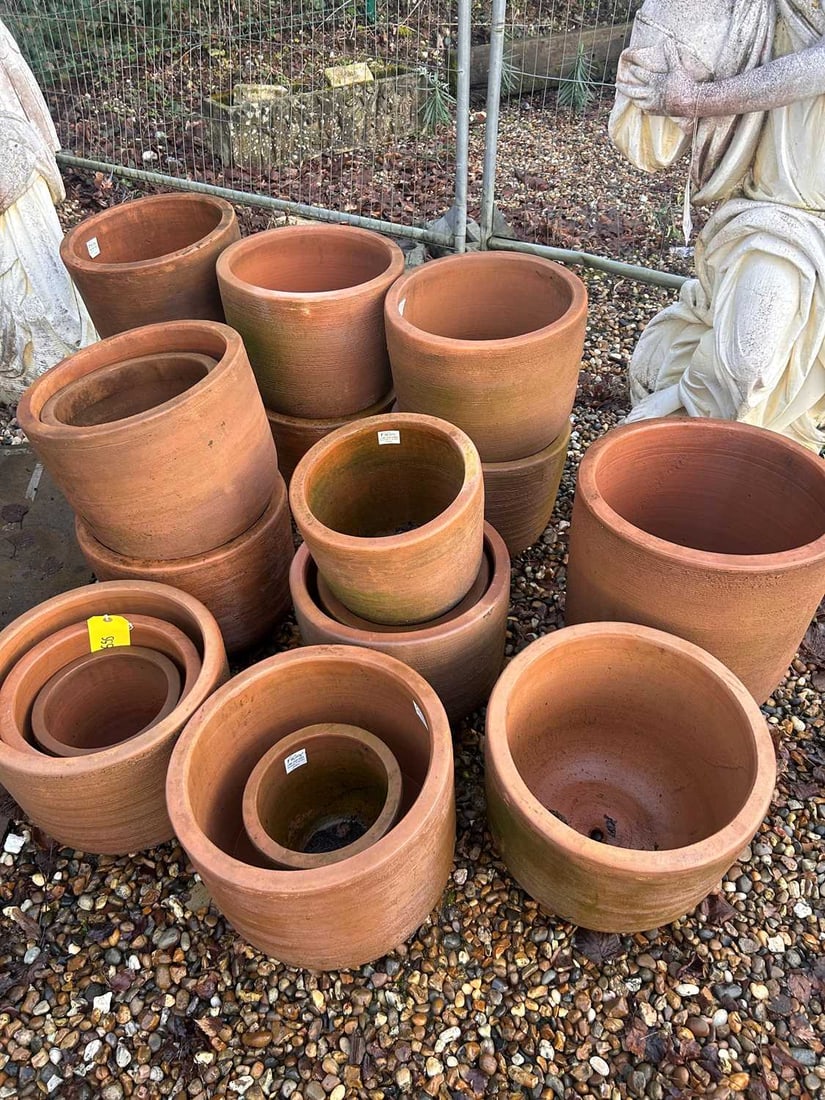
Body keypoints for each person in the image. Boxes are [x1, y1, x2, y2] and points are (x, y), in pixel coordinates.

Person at [610, 0, 825, 451]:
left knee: (777, 388)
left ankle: (730, 461)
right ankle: (669, 444)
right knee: (747, 363)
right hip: (780, 220)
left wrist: (698, 100)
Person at [0, 17, 95, 407]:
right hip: (17, 157)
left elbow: (18, 80)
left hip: (14, 160)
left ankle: (61, 361)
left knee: (40, 277)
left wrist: (39, 145)